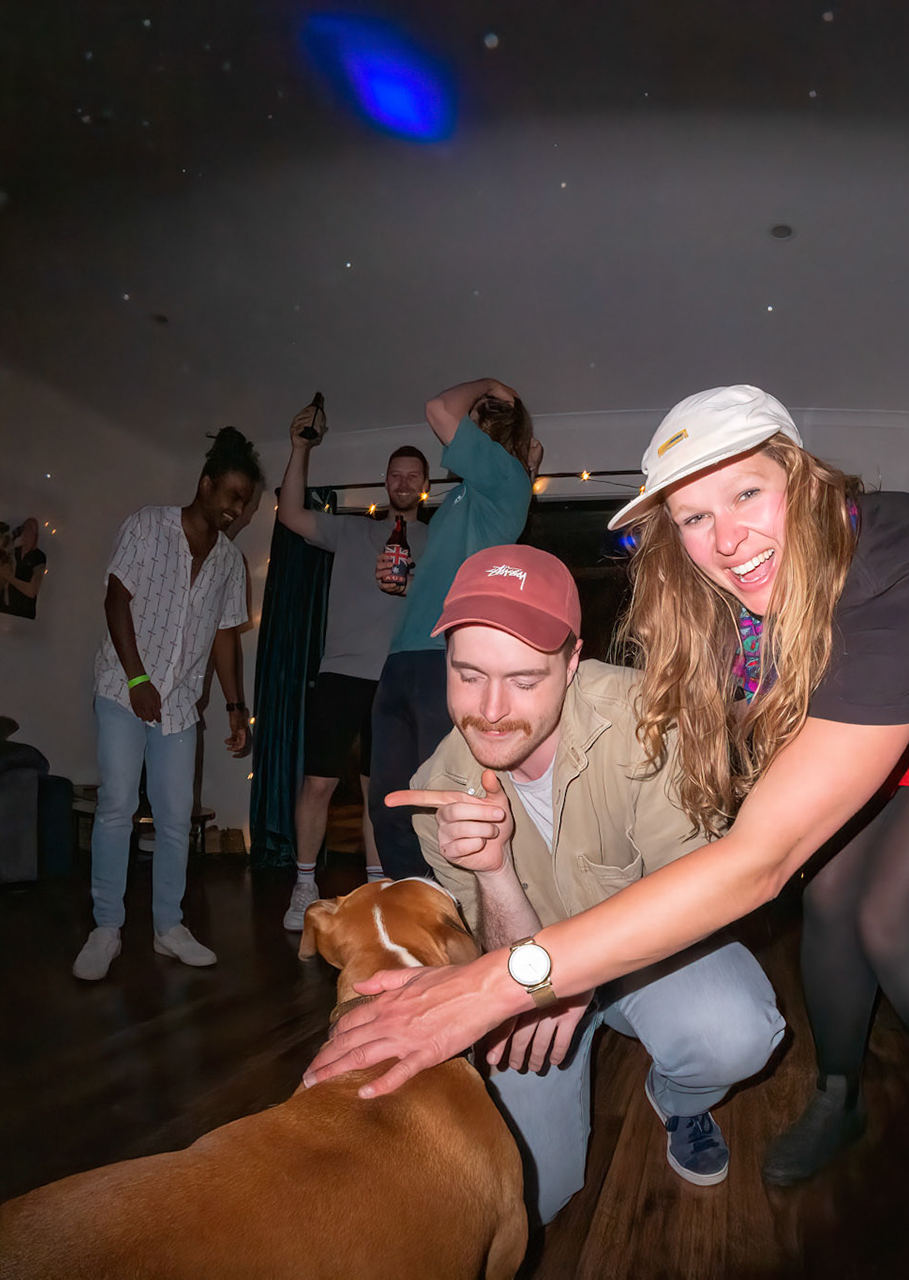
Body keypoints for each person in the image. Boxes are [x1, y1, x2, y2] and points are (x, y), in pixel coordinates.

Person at [307, 385, 909, 1275]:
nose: (728, 540)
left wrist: (496, 985)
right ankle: (838, 1094)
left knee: (890, 916)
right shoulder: (714, 602)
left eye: (747, 493)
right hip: (871, 704)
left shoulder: (906, 570)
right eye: (694, 517)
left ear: (803, 477)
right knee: (832, 895)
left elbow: (757, 859)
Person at [388, 545, 785, 1224]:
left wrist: (576, 972)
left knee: (733, 1032)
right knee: (532, 1197)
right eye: (469, 674)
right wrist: (493, 872)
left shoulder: (651, 722)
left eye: (523, 679)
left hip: (653, 960)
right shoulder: (439, 789)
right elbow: (503, 961)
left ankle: (678, 1100)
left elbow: (700, 898)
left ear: (573, 664)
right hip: (532, 986)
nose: (490, 710)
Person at [74, 428, 259, 981]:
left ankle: (168, 928)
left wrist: (234, 706)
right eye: (232, 495)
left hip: (179, 707)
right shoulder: (148, 525)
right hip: (122, 689)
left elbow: (225, 637)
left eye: (245, 501)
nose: (237, 509)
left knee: (176, 818)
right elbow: (116, 599)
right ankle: (106, 928)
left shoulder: (230, 562)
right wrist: (137, 678)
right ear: (205, 484)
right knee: (117, 805)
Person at [366, 378, 539, 883]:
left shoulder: (506, 478)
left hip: (442, 658)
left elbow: (438, 408)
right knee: (389, 804)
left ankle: (454, 906)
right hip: (402, 657)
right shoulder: (466, 496)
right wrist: (409, 585)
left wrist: (487, 383)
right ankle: (413, 903)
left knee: (439, 800)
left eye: (478, 418)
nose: (466, 425)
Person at [273, 398, 431, 929]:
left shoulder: (436, 541)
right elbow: (290, 515)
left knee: (377, 794)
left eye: (413, 476)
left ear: (424, 486)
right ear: (385, 481)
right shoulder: (350, 531)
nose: (403, 482)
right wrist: (299, 448)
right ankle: (303, 885)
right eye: (395, 474)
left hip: (397, 679)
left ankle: (376, 889)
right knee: (317, 784)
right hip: (340, 673)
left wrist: (412, 586)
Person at [1, 516, 46, 618]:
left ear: (35, 536)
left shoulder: (39, 557)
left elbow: (32, 591)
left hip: (24, 612)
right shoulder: (14, 551)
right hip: (8, 608)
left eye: (31, 529)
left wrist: (8, 577)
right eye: (25, 528)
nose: (27, 532)